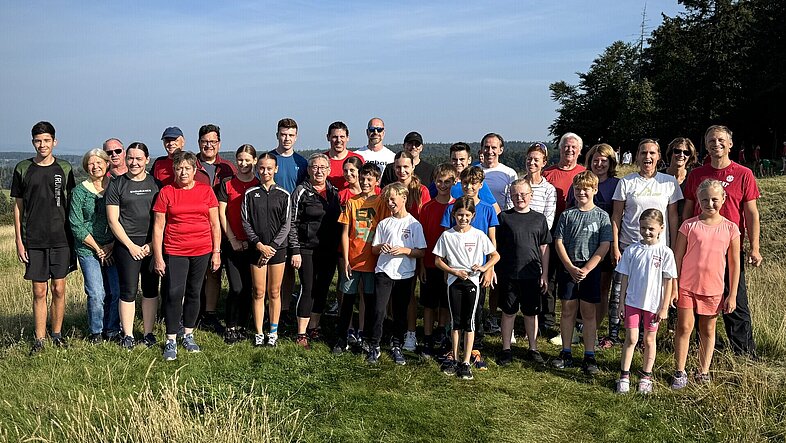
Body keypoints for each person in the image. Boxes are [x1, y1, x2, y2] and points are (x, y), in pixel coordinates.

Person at [681, 125, 761, 357]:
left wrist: (754, 248)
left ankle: (744, 354)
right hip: (699, 250)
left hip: (729, 250)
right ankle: (701, 350)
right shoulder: (696, 175)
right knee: (698, 299)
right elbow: (687, 211)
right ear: (705, 145)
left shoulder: (743, 173)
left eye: (720, 140)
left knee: (735, 301)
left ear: (730, 144)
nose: (716, 144)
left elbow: (751, 213)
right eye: (711, 141)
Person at [12, 121, 76, 355]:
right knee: (39, 291)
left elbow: (71, 204)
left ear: (54, 142)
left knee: (59, 289)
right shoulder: (22, 168)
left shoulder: (65, 168)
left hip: (61, 238)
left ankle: (57, 334)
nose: (42, 145)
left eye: (47, 140)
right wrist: (19, 241)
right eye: (38, 141)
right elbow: (18, 207)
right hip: (34, 239)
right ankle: (39, 339)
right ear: (32, 142)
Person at [611, 139, 682, 348]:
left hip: (659, 250)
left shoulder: (669, 182)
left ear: (659, 156)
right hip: (629, 246)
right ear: (637, 156)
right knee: (620, 292)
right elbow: (616, 216)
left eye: (652, 153)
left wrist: (674, 248)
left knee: (652, 293)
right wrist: (615, 246)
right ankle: (615, 334)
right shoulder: (626, 182)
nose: (647, 157)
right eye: (643, 153)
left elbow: (674, 218)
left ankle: (645, 338)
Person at [152, 151, 221, 361]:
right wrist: (158, 257)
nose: (183, 172)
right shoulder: (167, 192)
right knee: (174, 293)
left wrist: (216, 252)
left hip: (202, 249)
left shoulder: (206, 191)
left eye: (187, 169)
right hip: (175, 250)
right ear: (174, 170)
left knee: (194, 292)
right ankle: (171, 338)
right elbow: (158, 227)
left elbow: (215, 223)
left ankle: (188, 334)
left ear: (194, 171)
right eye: (179, 168)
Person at [672, 179, 740, 388]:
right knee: (684, 327)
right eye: (704, 200)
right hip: (687, 286)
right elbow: (677, 257)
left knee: (708, 330)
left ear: (723, 199)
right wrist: (674, 286)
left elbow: (734, 264)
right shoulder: (688, 226)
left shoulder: (731, 229)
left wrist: (733, 294)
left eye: (714, 199)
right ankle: (680, 371)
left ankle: (703, 371)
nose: (710, 204)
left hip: (713, 289)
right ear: (698, 201)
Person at [551, 171, 612, 376]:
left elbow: (604, 245)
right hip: (569, 267)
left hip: (590, 269)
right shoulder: (567, 215)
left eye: (586, 188)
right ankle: (566, 351)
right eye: (577, 189)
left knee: (588, 312)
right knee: (568, 309)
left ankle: (589, 354)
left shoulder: (602, 216)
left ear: (594, 190)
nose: (581, 192)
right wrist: (569, 267)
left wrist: (587, 268)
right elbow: (558, 241)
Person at [434, 196, 499, 379]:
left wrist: (484, 268)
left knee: (469, 322)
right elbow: (438, 260)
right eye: (460, 215)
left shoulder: (479, 234)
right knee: (455, 322)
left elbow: (495, 255)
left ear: (473, 216)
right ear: (454, 214)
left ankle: (465, 362)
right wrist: (453, 271)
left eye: (467, 215)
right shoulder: (447, 235)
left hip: (472, 283)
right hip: (454, 283)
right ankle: (454, 359)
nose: (463, 219)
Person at [615, 209, 677, 394]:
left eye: (651, 228)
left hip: (653, 305)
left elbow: (668, 281)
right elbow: (624, 278)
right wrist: (620, 303)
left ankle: (646, 377)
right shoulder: (632, 250)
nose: (647, 232)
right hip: (632, 302)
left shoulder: (666, 252)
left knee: (649, 340)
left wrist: (664, 307)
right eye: (643, 228)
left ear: (661, 228)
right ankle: (624, 376)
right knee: (632, 338)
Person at [106, 142, 160, 349]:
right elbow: (113, 220)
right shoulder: (117, 184)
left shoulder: (156, 184)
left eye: (139, 158)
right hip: (126, 245)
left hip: (151, 245)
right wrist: (131, 246)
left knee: (150, 289)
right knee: (128, 291)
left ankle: (148, 333)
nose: (134, 162)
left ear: (147, 160)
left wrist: (151, 245)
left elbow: (160, 218)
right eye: (130, 158)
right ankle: (127, 335)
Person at [366, 182, 426, 365]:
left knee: (400, 312)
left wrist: (404, 251)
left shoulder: (414, 224)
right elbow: (374, 249)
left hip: (405, 274)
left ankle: (397, 345)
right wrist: (381, 248)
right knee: (378, 309)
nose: (390, 203)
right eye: (387, 199)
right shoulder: (384, 223)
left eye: (393, 199)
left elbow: (421, 251)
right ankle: (374, 345)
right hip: (384, 272)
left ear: (404, 198)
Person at [495, 179, 551, 366]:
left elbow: (544, 247)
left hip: (532, 274)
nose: (520, 198)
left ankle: (533, 348)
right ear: (510, 196)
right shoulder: (504, 218)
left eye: (524, 194)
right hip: (508, 273)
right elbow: (496, 246)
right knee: (508, 312)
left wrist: (544, 274)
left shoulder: (539, 219)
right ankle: (506, 349)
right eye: (516, 194)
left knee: (530, 313)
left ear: (531, 196)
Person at [334, 163, 388, 354]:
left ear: (377, 181)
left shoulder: (382, 202)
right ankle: (343, 337)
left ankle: (366, 337)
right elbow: (345, 232)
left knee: (370, 301)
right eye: (363, 178)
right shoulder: (352, 202)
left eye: (369, 179)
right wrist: (347, 260)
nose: (365, 182)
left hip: (372, 262)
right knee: (347, 300)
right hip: (353, 260)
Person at [289, 153, 342, 349]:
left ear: (329, 170)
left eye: (323, 167)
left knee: (322, 289)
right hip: (306, 249)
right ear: (309, 170)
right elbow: (292, 223)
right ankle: (301, 332)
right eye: (314, 167)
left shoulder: (334, 192)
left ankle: (314, 327)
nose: (319, 171)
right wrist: (294, 250)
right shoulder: (301, 191)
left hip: (328, 249)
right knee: (308, 288)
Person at [571, 143, 621, 347]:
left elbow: (618, 215)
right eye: (595, 160)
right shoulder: (580, 183)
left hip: (604, 244)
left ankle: (594, 328)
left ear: (611, 163)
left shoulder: (617, 185)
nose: (599, 164)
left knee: (602, 288)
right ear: (589, 161)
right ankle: (575, 326)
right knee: (576, 288)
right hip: (579, 244)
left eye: (604, 161)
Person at [69, 149, 120, 343]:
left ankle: (113, 329)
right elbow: (76, 224)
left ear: (107, 164)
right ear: (85, 167)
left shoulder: (116, 187)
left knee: (115, 291)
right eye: (91, 163)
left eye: (99, 162)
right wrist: (98, 248)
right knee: (96, 292)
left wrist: (111, 245)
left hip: (112, 247)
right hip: (88, 248)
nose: (95, 166)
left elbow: (123, 218)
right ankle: (96, 331)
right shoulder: (79, 192)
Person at [241, 152, 291, 347]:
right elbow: (246, 222)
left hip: (277, 250)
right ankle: (259, 332)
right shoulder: (250, 194)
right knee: (258, 291)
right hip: (257, 248)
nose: (265, 171)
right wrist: (259, 245)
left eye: (269, 168)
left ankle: (273, 332)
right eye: (261, 168)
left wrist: (272, 247)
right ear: (257, 169)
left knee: (274, 291)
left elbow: (286, 225)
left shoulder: (284, 195)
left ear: (276, 169)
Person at [541, 133, 586, 337]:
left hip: (575, 232)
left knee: (570, 275)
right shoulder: (548, 173)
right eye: (566, 146)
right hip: (550, 229)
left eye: (573, 147)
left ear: (579, 150)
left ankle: (575, 320)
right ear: (560, 149)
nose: (569, 150)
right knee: (549, 275)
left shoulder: (585, 172)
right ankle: (547, 319)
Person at [216, 145, 260, 344]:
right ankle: (230, 325)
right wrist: (233, 239)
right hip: (232, 243)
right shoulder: (227, 184)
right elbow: (221, 214)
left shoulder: (259, 184)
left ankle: (244, 325)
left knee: (250, 287)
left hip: (253, 244)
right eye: (240, 160)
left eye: (247, 160)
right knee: (236, 287)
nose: (243, 164)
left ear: (255, 161)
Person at [196, 124, 237, 334]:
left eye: (213, 141)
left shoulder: (229, 168)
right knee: (195, 272)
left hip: (221, 226)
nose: (209, 145)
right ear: (199, 143)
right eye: (205, 141)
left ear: (219, 143)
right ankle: (194, 311)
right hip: (196, 227)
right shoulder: (191, 166)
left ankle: (210, 313)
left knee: (214, 270)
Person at [270, 118, 308, 332]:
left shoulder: (301, 162)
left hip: (293, 222)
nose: (286, 138)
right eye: (283, 134)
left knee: (289, 270)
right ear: (277, 135)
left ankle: (284, 310)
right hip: (271, 221)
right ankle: (270, 309)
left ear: (296, 137)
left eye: (291, 135)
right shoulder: (269, 159)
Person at [417, 163, 457, 357]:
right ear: (434, 182)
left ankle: (442, 333)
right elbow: (422, 238)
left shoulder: (457, 207)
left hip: (449, 266)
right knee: (428, 303)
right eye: (439, 181)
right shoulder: (427, 208)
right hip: (430, 263)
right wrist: (422, 265)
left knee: (445, 303)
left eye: (447, 181)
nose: (443, 185)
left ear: (454, 182)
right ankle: (427, 337)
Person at [428, 143, 500, 214]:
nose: (458, 163)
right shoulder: (440, 183)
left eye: (462, 159)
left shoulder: (476, 184)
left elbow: (495, 210)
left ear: (469, 160)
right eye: (454, 159)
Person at [480, 132, 518, 210]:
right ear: (482, 149)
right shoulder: (473, 171)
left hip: (500, 219)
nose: (490, 151)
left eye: (493, 147)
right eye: (487, 147)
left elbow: (512, 202)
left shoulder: (509, 173)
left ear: (500, 150)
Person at [523, 142, 557, 229]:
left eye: (536, 160)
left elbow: (548, 221)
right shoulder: (514, 186)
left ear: (544, 163)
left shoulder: (549, 190)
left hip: (538, 238)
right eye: (529, 159)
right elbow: (510, 215)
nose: (531, 163)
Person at [325, 121, 363, 190]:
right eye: (335, 137)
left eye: (342, 137)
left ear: (347, 138)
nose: (339, 140)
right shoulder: (321, 160)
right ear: (328, 137)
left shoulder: (358, 159)